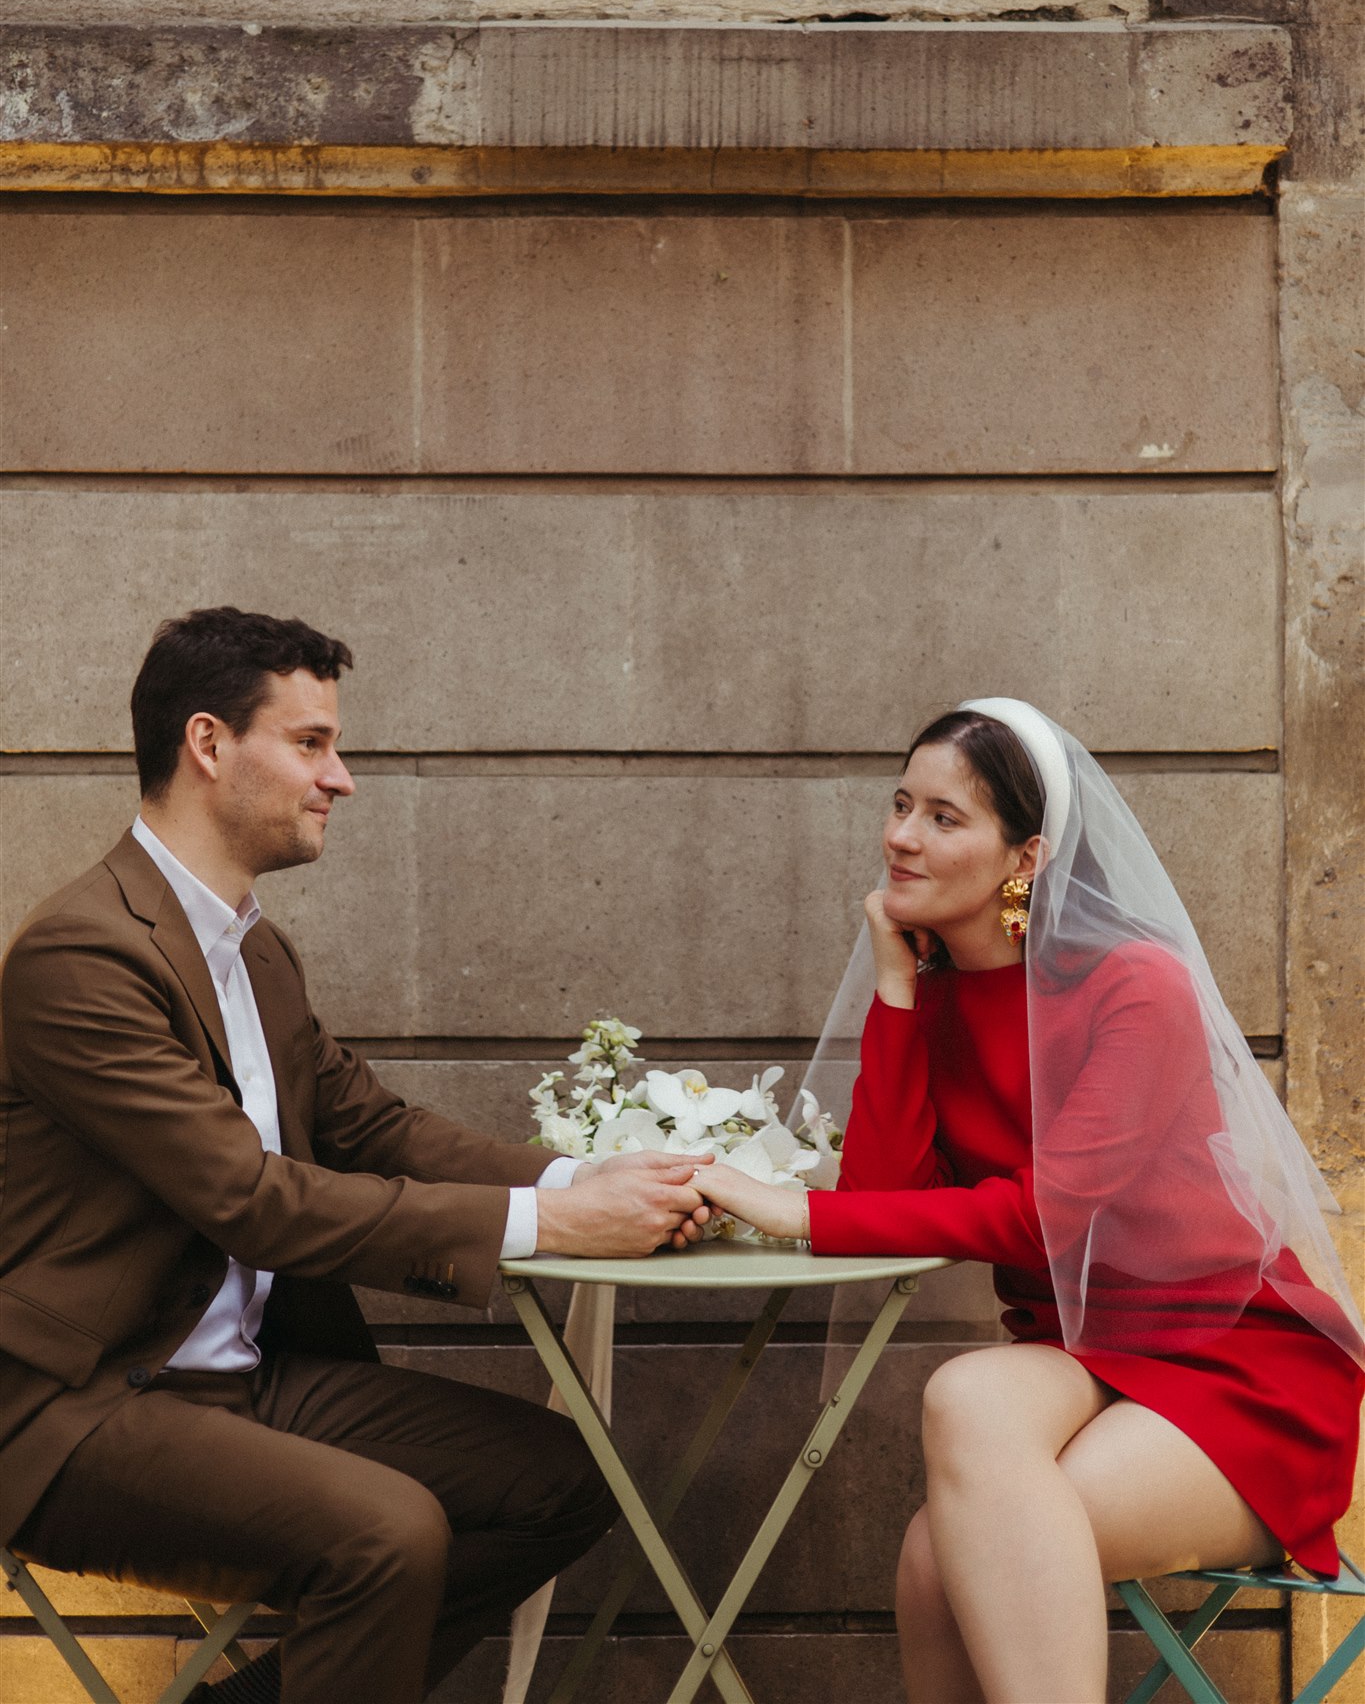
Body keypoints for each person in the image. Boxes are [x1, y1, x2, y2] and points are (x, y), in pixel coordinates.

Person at [0, 606, 714, 1704]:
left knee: (566, 1479)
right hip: (79, 1404)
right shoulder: (80, 956)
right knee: (384, 1533)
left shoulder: (256, 949)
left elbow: (375, 1128)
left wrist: (583, 1179)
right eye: (310, 742)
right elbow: (250, 1200)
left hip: (246, 1383)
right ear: (207, 744)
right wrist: (545, 1228)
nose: (341, 777)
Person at [689, 698, 1364, 1704]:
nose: (902, 836)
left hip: (1239, 1366)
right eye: (900, 804)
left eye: (945, 817)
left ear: (1029, 854)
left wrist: (797, 1211)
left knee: (937, 1556)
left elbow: (1044, 1214)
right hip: (1082, 1353)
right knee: (966, 1404)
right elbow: (883, 1197)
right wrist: (897, 991)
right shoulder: (940, 991)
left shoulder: (1136, 983)